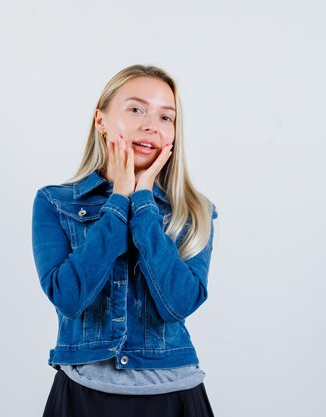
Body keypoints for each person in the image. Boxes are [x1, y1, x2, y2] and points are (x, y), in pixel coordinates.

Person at [31, 64, 218, 417]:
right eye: (136, 109)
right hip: (83, 393)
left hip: (175, 396)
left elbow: (177, 304)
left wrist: (143, 201)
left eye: (166, 117)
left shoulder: (195, 211)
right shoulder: (55, 202)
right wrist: (119, 199)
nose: (151, 125)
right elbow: (69, 298)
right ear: (100, 120)